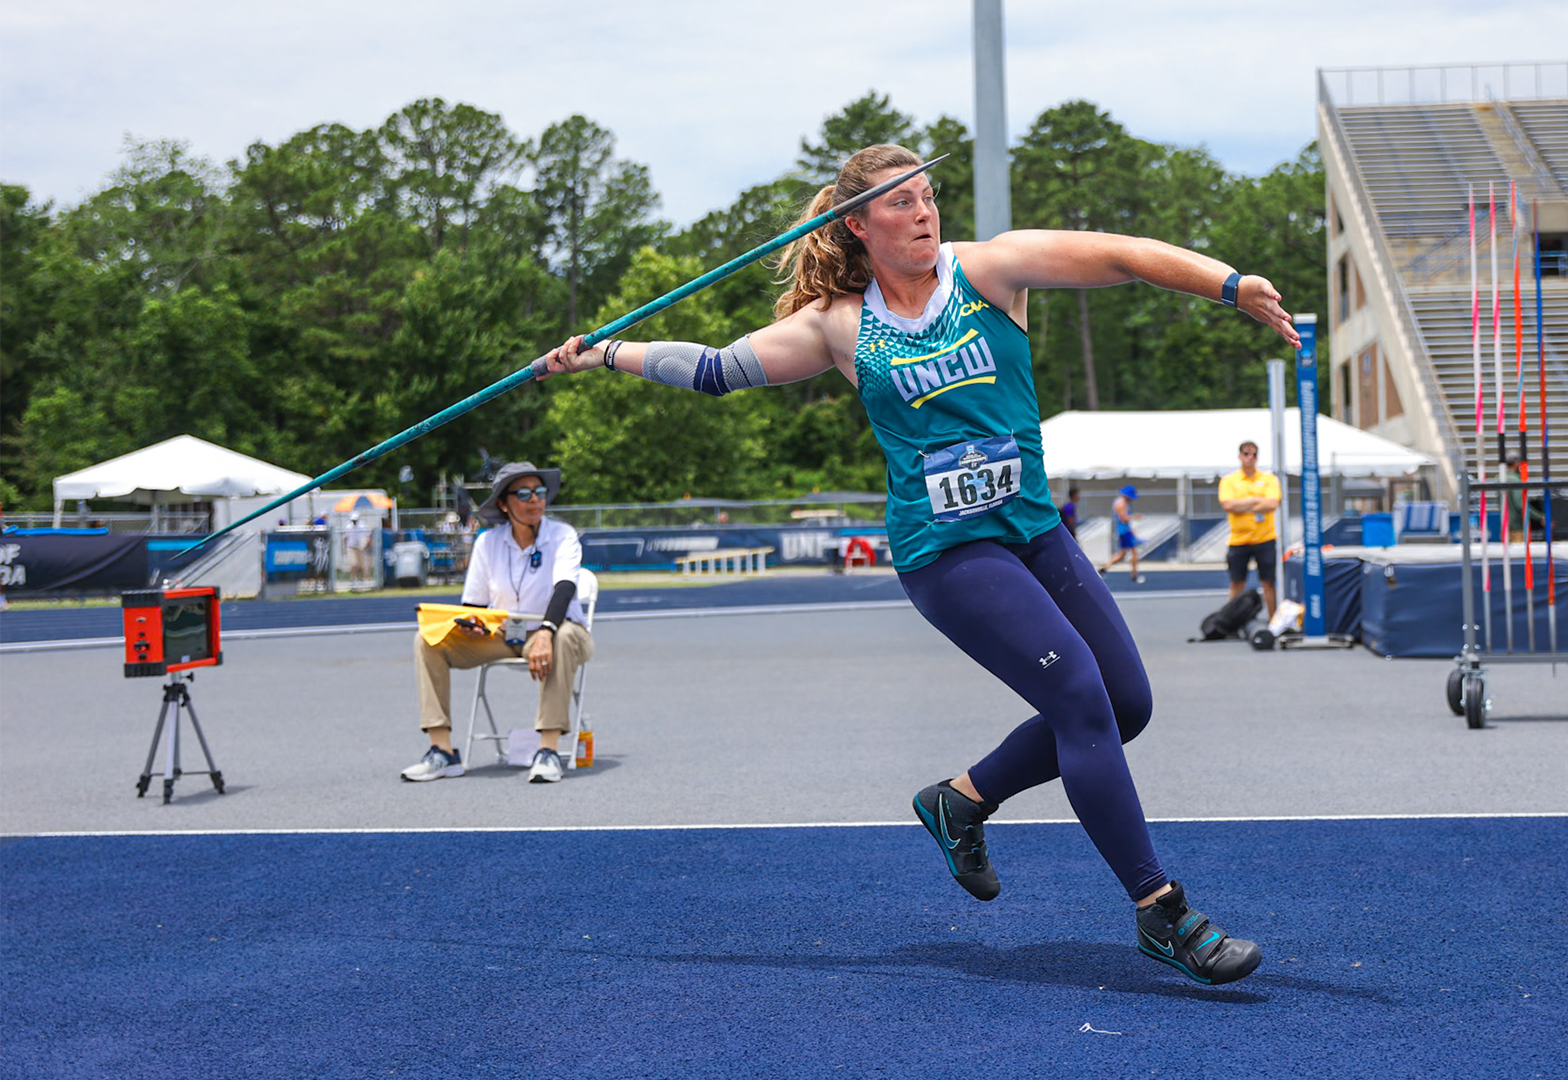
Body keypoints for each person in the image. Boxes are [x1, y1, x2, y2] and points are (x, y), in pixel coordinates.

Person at [541, 144, 1297, 985]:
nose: (926, 213)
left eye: (929, 197)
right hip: (947, 552)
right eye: (901, 204)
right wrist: (605, 352)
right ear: (855, 224)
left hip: (1033, 531)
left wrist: (1229, 283)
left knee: (1126, 704)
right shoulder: (839, 324)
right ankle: (1162, 912)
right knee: (1080, 696)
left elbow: (1119, 254)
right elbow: (718, 370)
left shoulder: (990, 270)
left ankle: (961, 800)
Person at [402, 462, 595, 784]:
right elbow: (474, 605)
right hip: (504, 632)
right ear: (505, 504)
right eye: (524, 494)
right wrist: (471, 623)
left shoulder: (562, 535)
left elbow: (565, 588)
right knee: (427, 640)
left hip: (559, 629)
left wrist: (546, 631)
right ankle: (442, 751)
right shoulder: (487, 543)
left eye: (540, 492)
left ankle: (547, 750)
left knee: (559, 640)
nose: (535, 499)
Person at [1217, 441, 1279, 621]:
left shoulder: (1268, 479)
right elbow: (1228, 504)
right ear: (1240, 456)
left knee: (1268, 582)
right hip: (1239, 540)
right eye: (1246, 454)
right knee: (1237, 583)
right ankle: (1231, 620)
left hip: (1264, 538)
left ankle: (1273, 619)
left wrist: (1242, 504)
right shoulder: (1229, 480)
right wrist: (1256, 500)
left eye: (1253, 454)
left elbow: (1272, 503)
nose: (1249, 458)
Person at [1097, 485, 1146, 582]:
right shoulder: (1121, 504)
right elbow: (1124, 519)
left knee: (1123, 553)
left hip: (1125, 531)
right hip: (1123, 531)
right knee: (1133, 552)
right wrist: (1135, 517)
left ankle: (1105, 568)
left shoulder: (1121, 503)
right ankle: (1134, 574)